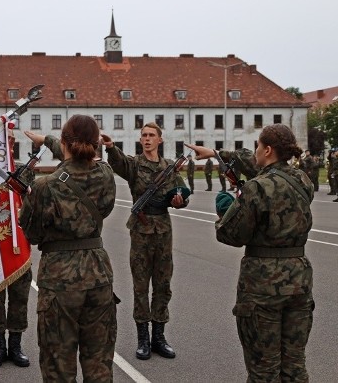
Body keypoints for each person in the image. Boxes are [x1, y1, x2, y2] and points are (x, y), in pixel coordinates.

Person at [187, 123, 314, 382]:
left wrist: (224, 211)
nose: (254, 151)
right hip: (299, 282)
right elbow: (261, 167)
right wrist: (215, 152)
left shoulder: (257, 188)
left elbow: (231, 235)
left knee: (263, 370)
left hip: (263, 286)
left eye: (258, 146)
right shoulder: (303, 180)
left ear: (267, 150)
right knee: (294, 366)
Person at [20, 115, 118, 381]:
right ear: (97, 143)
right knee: (99, 364)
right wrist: (49, 141)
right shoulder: (106, 175)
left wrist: (25, 202)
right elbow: (105, 207)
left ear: (64, 142)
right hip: (98, 276)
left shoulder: (45, 186)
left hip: (59, 281)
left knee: (58, 367)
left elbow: (31, 232)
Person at [102, 122, 188, 360]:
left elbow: (182, 193)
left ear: (160, 140)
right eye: (144, 136)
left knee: (163, 285)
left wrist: (180, 200)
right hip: (140, 231)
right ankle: (143, 339)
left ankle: (159, 337)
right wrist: (110, 148)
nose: (147, 139)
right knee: (140, 286)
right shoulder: (135, 165)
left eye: (151, 135)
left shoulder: (169, 167)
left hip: (163, 231)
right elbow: (118, 163)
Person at [0, 129, 33, 369]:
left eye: (11, 140)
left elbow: (35, 203)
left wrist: (27, 191)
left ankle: (15, 345)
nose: (8, 144)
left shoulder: (26, 170)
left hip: (20, 244)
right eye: (4, 140)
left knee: (19, 298)